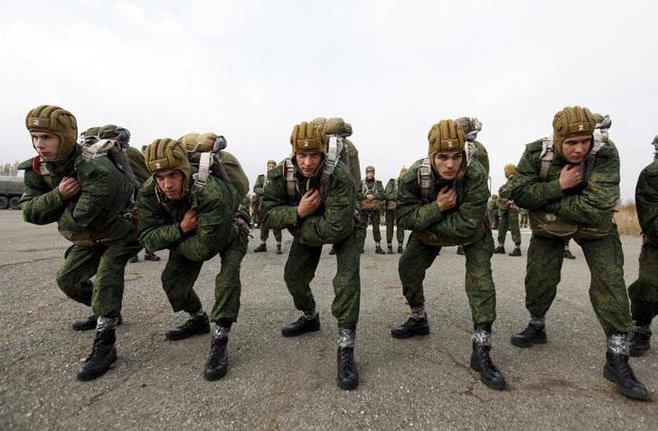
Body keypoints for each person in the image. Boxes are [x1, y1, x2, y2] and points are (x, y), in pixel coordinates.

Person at [507, 106, 649, 401]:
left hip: (595, 229)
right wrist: (560, 184)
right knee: (539, 281)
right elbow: (517, 194)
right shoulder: (537, 154)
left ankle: (617, 357)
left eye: (584, 141)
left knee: (610, 282)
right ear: (558, 139)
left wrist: (546, 199)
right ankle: (537, 325)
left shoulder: (604, 152)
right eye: (571, 143)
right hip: (550, 230)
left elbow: (598, 204)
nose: (580, 149)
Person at [19, 105, 141, 380]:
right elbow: (29, 213)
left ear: (65, 136)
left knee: (108, 276)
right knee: (68, 280)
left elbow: (80, 220)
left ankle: (106, 344)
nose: (40, 144)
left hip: (122, 232)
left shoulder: (96, 168)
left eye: (47, 137)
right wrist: (59, 196)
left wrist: (52, 208)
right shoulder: (36, 169)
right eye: (35, 137)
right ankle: (104, 311)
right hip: (92, 237)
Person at [391, 119, 506, 391]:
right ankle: (418, 318)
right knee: (408, 269)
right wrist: (437, 207)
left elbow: (467, 224)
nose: (451, 165)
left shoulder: (476, 174)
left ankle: (482, 349)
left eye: (456, 157)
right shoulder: (413, 177)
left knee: (481, 284)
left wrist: (426, 220)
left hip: (473, 235)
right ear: (432, 156)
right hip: (428, 233)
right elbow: (403, 218)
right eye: (442, 157)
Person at [261, 121, 362, 390]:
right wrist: (298, 213)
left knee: (347, 282)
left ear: (323, 154)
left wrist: (296, 223)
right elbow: (266, 214)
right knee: (294, 277)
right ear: (293, 153)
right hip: (307, 221)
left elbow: (335, 228)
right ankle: (310, 316)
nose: (306, 162)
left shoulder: (338, 175)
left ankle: (345, 345)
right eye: (301, 155)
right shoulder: (282, 174)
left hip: (346, 225)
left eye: (314, 156)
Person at [137, 138, 249, 381]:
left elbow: (203, 250)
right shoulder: (149, 192)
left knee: (227, 280)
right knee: (173, 282)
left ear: (185, 172)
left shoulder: (210, 192)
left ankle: (220, 338)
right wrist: (180, 229)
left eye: (172, 176)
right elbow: (147, 239)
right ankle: (198, 319)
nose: (166, 185)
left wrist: (171, 237)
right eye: (160, 177)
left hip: (230, 230)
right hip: (189, 229)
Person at [80, 125, 161, 263]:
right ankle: (145, 251)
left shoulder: (113, 153)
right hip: (136, 192)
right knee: (141, 222)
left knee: (137, 222)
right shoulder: (120, 152)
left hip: (133, 192)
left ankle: (137, 252)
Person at [626, 135, 658, 357]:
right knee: (648, 286)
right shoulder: (652, 174)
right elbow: (650, 219)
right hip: (656, 244)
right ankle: (641, 327)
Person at [253, 160, 283, 254]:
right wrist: (266, 191)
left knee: (276, 225)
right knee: (264, 225)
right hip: (264, 205)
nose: (271, 168)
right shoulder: (262, 178)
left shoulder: (279, 179)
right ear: (267, 167)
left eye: (273, 166)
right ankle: (263, 244)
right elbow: (256, 188)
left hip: (275, 205)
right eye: (270, 166)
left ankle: (278, 245)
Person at [495, 164, 522, 256]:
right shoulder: (509, 181)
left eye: (506, 171)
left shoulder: (516, 180)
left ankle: (517, 248)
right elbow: (502, 190)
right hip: (505, 207)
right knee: (502, 227)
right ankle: (500, 246)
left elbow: (506, 192)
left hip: (512, 207)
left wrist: (503, 192)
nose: (505, 173)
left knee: (514, 227)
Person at [358, 166, 386, 254]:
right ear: (366, 173)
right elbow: (357, 195)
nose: (370, 174)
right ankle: (360, 247)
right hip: (364, 209)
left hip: (375, 209)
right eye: (368, 172)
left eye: (371, 172)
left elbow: (383, 195)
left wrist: (374, 196)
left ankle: (378, 247)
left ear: (374, 173)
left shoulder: (378, 183)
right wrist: (365, 196)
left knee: (376, 228)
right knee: (362, 228)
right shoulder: (361, 183)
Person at [384, 168, 407, 253]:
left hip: (401, 209)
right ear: (400, 174)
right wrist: (399, 197)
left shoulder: (407, 185)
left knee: (401, 227)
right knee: (389, 227)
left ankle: (400, 246)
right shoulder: (392, 182)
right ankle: (389, 246)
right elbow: (387, 194)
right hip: (391, 208)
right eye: (403, 174)